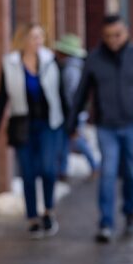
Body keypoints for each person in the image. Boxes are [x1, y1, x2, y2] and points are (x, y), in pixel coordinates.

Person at [68, 15, 133, 243]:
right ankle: (106, 223)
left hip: (132, 123)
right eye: (108, 36)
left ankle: (130, 213)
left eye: (117, 35)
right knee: (108, 172)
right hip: (106, 125)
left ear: (126, 32)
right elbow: (81, 93)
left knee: (130, 171)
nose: (113, 40)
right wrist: (71, 124)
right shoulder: (95, 59)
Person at [0, 24, 67, 239]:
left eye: (41, 36)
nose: (38, 41)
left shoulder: (51, 61)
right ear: (23, 40)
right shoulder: (10, 64)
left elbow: (61, 94)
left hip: (49, 124)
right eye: (33, 37)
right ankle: (32, 218)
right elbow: (2, 97)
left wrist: (69, 125)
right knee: (28, 173)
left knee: (49, 169)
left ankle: (48, 210)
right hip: (22, 125)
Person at [52, 33, 99, 179]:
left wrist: (72, 114)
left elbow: (72, 95)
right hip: (73, 111)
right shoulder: (75, 66)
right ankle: (63, 170)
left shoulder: (71, 70)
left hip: (73, 112)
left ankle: (94, 165)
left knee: (77, 139)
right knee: (67, 140)